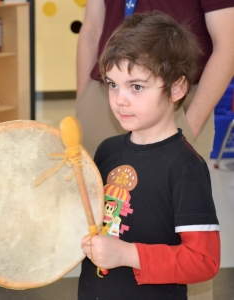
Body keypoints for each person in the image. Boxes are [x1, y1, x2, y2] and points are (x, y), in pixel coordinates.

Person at [78, 11, 220, 300]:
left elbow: (204, 262)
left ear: (177, 88)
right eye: (113, 84)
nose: (120, 99)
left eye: (137, 86)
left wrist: (130, 254)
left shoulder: (185, 167)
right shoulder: (107, 150)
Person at [76, 0, 234, 162]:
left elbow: (227, 43)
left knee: (169, 182)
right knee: (95, 183)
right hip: (105, 93)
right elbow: (92, 30)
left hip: (173, 99)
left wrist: (190, 125)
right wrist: (83, 100)